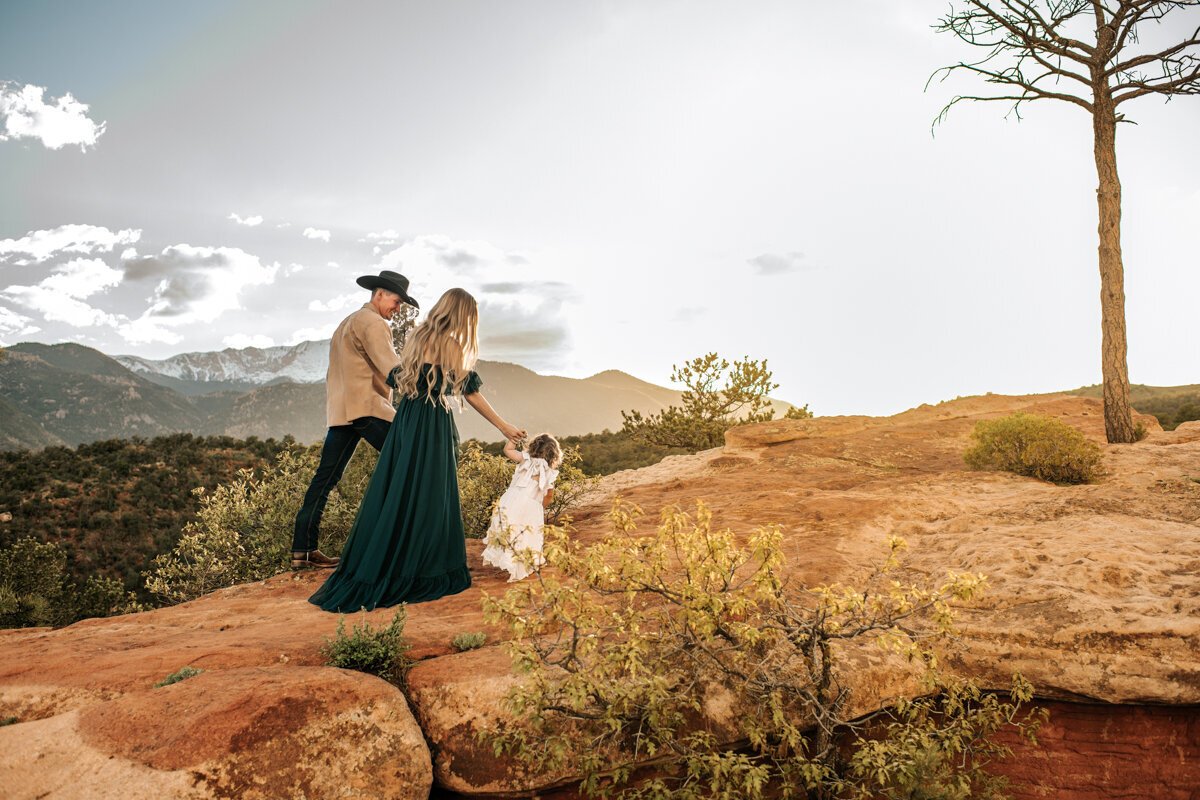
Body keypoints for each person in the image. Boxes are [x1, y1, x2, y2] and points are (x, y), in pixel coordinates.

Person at [309, 288, 525, 610]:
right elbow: (470, 392)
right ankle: (424, 568)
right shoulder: (450, 345)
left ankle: (392, 557)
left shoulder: (416, 336)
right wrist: (504, 426)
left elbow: (398, 378)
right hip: (431, 422)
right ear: (462, 317)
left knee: (403, 488)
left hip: (408, 419)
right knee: (432, 492)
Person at [291, 270, 419, 570]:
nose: (397, 309)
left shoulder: (346, 323)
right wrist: (421, 389)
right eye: (396, 301)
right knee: (412, 460)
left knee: (324, 480)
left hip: (341, 413)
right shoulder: (373, 323)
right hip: (368, 408)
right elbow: (392, 368)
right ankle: (398, 544)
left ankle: (303, 550)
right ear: (379, 294)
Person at [481, 433, 562, 582]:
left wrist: (513, 438)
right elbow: (549, 495)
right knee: (527, 534)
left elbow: (508, 450)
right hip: (530, 504)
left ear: (532, 447)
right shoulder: (549, 473)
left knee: (509, 529)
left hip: (509, 500)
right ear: (554, 455)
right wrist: (539, 507)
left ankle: (507, 559)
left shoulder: (524, 459)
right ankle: (524, 565)